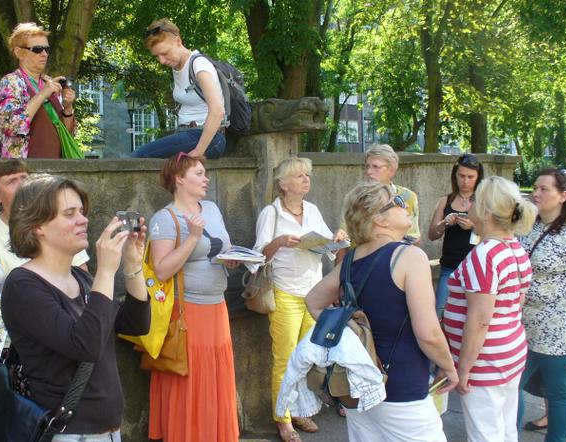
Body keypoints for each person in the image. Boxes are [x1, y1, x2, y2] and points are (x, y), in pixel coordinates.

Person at [1, 174, 151, 440]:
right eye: (70, 213)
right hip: (69, 433)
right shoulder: (23, 286)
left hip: (109, 430)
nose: (84, 220)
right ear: (38, 225)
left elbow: (136, 324)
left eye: (81, 211)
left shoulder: (80, 277)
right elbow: (86, 345)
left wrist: (132, 264)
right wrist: (105, 270)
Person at [306, 181, 458, 442]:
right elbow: (428, 333)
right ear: (379, 220)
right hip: (402, 387)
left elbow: (314, 301)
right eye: (397, 202)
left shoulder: (351, 260)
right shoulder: (409, 256)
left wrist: (349, 332)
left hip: (357, 385)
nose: (405, 205)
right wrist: (449, 366)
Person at [252, 157, 348, 442]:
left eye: (308, 174)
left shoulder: (313, 209)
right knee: (285, 358)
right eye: (299, 175)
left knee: (307, 358)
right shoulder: (271, 213)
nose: (307, 179)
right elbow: (257, 257)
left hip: (313, 294)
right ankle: (282, 419)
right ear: (283, 184)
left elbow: (330, 250)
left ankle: (298, 409)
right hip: (284, 293)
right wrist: (279, 242)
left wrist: (337, 239)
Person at [147, 153, 240, 441]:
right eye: (199, 173)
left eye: (205, 173)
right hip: (187, 312)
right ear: (179, 178)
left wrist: (232, 257)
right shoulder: (165, 218)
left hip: (217, 307)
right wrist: (191, 238)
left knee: (214, 378)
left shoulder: (211, 208)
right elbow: (161, 271)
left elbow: (223, 244)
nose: (206, 178)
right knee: (191, 378)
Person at [443, 176, 536, 442]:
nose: (467, 204)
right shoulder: (515, 249)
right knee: (505, 428)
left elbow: (480, 320)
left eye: (473, 201)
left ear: (484, 211)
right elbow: (515, 303)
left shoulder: (484, 255)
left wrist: (464, 370)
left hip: (485, 360)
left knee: (485, 433)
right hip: (509, 352)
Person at [0, 159, 89, 293]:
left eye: (24, 177)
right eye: (12, 181)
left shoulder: (62, 225)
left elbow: (83, 277)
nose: (22, 184)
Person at [517, 168, 566, 442]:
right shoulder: (529, 224)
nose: (535, 193)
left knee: (559, 390)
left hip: (558, 328)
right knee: (511, 385)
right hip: (521, 324)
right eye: (535, 188)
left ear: (563, 196)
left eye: (543, 189)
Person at [130, 19, 226, 159]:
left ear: (178, 41)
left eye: (165, 53)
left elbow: (217, 111)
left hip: (207, 138)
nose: (161, 61)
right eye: (157, 56)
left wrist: (199, 151)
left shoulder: (199, 65)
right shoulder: (176, 67)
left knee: (138, 156)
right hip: (186, 134)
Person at [0, 22, 77, 158]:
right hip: (23, 170)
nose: (44, 54)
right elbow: (11, 127)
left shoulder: (49, 83)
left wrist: (68, 108)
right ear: (19, 52)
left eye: (47, 49)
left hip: (56, 169)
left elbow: (68, 135)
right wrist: (43, 94)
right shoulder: (11, 82)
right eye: (37, 49)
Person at [428, 153, 484, 312]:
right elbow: (432, 235)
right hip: (450, 268)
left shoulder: (483, 201)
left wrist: (473, 226)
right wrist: (444, 223)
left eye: (470, 177)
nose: (465, 181)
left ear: (478, 177)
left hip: (476, 268)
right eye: (461, 176)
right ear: (455, 175)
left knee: (472, 315)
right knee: (441, 313)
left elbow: (494, 234)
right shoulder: (446, 200)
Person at [364, 144, 421, 244]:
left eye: (375, 167)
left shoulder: (408, 197)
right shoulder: (357, 197)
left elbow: (414, 238)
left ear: (391, 170)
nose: (369, 171)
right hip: (361, 257)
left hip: (394, 256)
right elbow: (344, 235)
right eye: (367, 166)